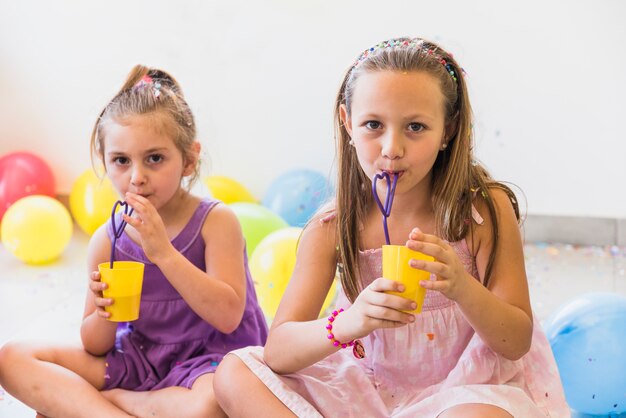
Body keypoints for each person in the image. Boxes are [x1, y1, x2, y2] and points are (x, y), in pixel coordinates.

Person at [214, 37, 570, 417]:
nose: (392, 147)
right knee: (233, 374)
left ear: (447, 131)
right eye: (373, 125)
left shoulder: (482, 211)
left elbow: (514, 341)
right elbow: (279, 350)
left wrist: (463, 288)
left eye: (415, 127)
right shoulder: (333, 227)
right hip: (364, 387)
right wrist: (349, 322)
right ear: (347, 123)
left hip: (464, 388)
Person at [0, 65, 268, 418]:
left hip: (212, 360)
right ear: (105, 162)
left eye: (154, 159)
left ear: (189, 159)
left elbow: (228, 317)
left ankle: (114, 406)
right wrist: (104, 312)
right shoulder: (106, 241)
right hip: (139, 361)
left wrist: (164, 254)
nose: (137, 177)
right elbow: (95, 344)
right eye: (121, 161)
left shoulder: (215, 222)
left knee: (211, 406)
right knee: (12, 359)